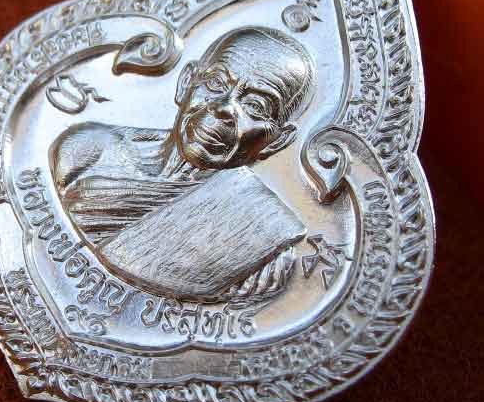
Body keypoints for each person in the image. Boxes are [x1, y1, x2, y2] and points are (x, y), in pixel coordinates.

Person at [49, 26, 314, 302]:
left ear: (277, 141)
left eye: (255, 107)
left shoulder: (266, 244)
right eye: (216, 83)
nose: (224, 108)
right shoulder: (86, 152)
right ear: (186, 82)